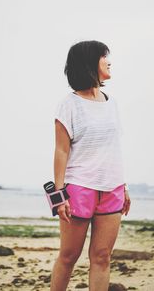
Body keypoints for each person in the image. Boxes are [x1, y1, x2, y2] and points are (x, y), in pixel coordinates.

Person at [50, 40, 131, 291]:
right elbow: (62, 151)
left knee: (102, 257)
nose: (109, 60)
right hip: (78, 190)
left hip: (112, 189)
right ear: (89, 62)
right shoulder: (69, 104)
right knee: (68, 257)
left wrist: (123, 187)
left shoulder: (111, 102)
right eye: (103, 56)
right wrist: (58, 195)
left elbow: (112, 148)